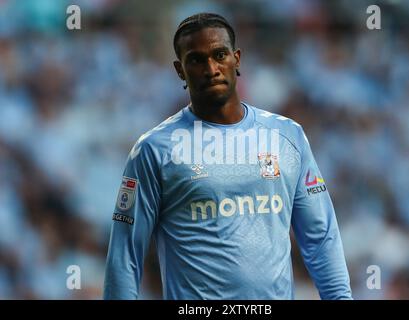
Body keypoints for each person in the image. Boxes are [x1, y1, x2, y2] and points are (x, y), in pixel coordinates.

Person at [104, 12, 352, 300]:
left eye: (219, 54)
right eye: (196, 60)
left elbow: (321, 238)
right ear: (180, 70)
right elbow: (124, 255)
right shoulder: (154, 149)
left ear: (237, 58)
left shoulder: (287, 136)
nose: (211, 68)